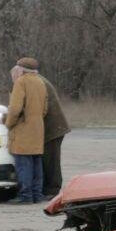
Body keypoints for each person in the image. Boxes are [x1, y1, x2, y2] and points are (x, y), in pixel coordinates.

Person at [4, 57, 48, 204]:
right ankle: (37, 195)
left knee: (23, 164)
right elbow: (45, 109)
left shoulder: (21, 82)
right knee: (36, 164)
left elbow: (15, 109)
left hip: (23, 130)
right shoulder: (40, 81)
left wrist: (8, 123)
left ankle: (25, 196)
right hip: (37, 128)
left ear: (21, 70)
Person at [40, 70, 71, 199]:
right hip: (52, 127)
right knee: (48, 159)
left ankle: (52, 190)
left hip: (53, 129)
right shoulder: (40, 80)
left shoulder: (37, 83)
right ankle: (48, 189)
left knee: (51, 160)